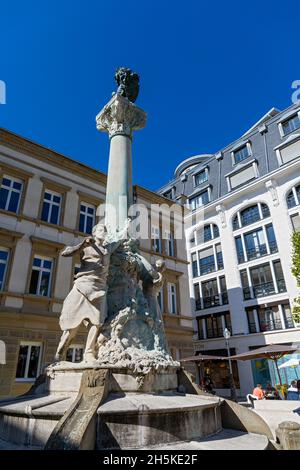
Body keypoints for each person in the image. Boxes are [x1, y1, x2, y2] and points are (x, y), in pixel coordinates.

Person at [54, 221, 129, 363]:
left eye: (105, 230)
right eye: (101, 230)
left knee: (97, 322)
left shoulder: (107, 249)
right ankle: (61, 350)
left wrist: (125, 228)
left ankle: (88, 353)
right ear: (94, 233)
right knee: (72, 326)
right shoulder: (87, 246)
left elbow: (119, 240)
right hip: (83, 287)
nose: (104, 232)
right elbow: (65, 253)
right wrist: (82, 245)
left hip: (99, 290)